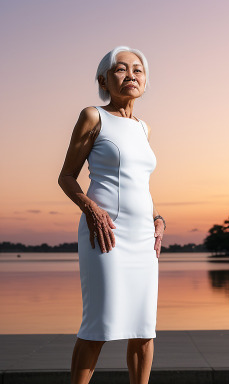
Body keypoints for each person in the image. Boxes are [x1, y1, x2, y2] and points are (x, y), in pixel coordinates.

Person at [58, 45, 166, 384]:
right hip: (103, 233)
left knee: (144, 328)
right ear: (103, 79)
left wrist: (157, 217)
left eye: (138, 69)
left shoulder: (143, 128)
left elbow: (138, 184)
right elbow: (66, 176)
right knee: (98, 324)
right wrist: (91, 208)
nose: (131, 74)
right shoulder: (93, 116)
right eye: (121, 68)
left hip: (143, 238)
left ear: (145, 81)